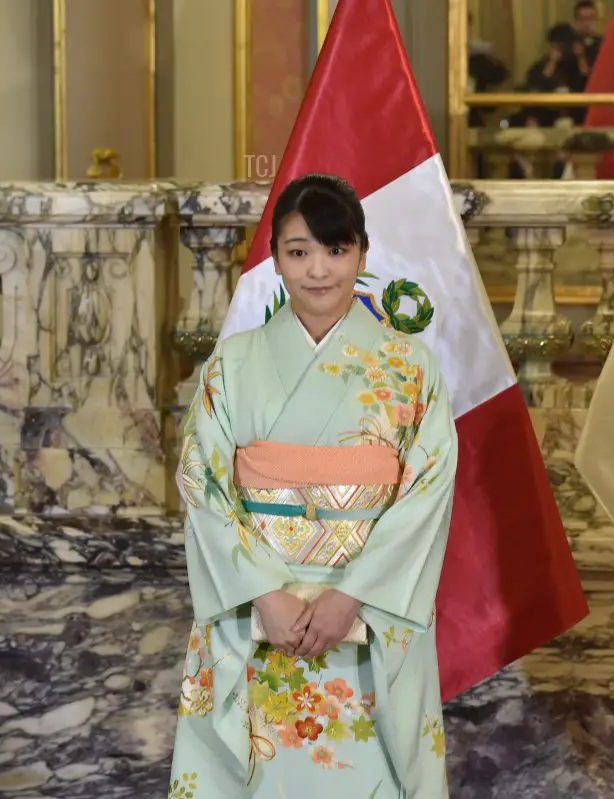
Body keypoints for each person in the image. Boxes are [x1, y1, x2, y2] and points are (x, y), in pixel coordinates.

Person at [168, 173, 457, 797]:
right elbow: (202, 485)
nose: (317, 269)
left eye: (335, 249)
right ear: (274, 258)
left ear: (362, 253)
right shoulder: (233, 363)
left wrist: (349, 597)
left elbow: (426, 494)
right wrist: (264, 596)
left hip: (363, 617)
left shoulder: (409, 368)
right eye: (298, 252)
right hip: (261, 618)